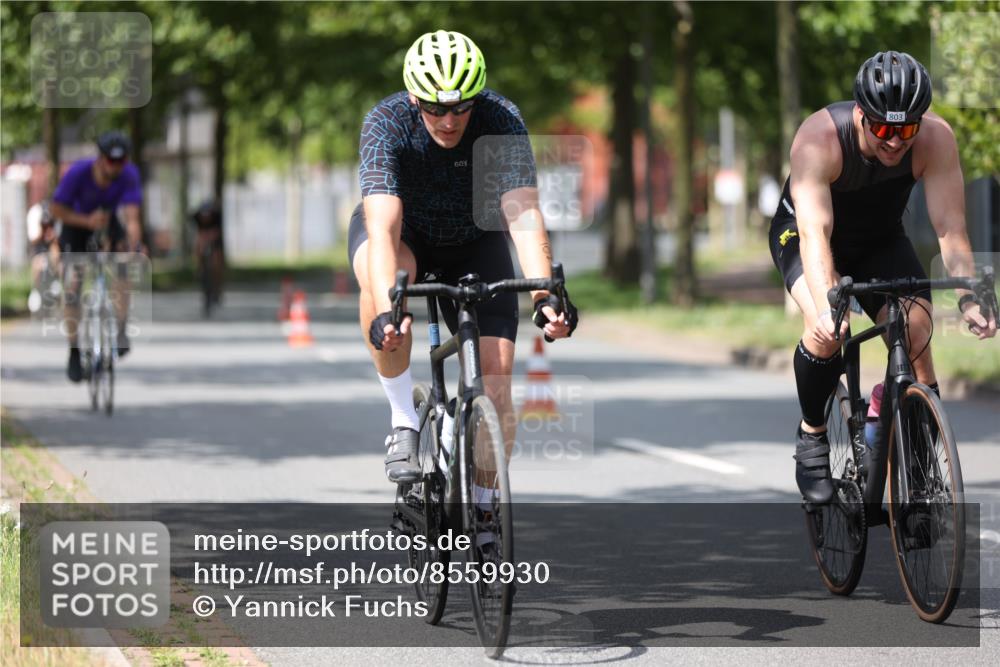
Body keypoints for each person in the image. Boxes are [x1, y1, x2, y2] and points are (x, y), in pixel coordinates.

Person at [350, 30, 579, 488]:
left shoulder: (499, 119)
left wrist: (545, 295)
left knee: (496, 381)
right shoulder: (387, 122)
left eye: (460, 107)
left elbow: (523, 213)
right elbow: (384, 226)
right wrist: (383, 311)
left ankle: (483, 510)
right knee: (382, 283)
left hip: (474, 237)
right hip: (406, 233)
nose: (449, 120)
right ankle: (403, 418)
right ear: (415, 98)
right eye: (435, 108)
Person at [768, 51, 997, 504]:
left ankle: (912, 459)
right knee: (830, 330)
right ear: (860, 115)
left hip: (878, 240)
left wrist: (969, 297)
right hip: (807, 236)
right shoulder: (819, 139)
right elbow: (816, 236)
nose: (896, 141)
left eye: (907, 128)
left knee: (915, 327)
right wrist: (828, 304)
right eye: (884, 129)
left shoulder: (935, 140)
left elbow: (951, 231)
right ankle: (813, 434)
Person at [50, 130, 145, 382]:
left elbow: (133, 218)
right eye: (110, 161)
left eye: (120, 161)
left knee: (123, 266)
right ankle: (73, 350)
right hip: (76, 222)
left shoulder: (129, 174)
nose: (115, 167)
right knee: (72, 283)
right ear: (100, 158)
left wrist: (134, 246)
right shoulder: (78, 173)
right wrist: (85, 220)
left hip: (107, 220)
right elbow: (56, 208)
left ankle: (122, 330)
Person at [26, 199, 61, 313]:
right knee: (37, 262)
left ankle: (57, 281)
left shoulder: (56, 214)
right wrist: (42, 233)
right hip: (38, 246)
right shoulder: (34, 214)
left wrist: (52, 237)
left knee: (57, 256)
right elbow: (33, 240)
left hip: (52, 245)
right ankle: (35, 290)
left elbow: (58, 240)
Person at [191, 200, 224, 309]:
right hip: (202, 234)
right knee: (198, 244)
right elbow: (197, 233)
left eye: (207, 216)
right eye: (203, 216)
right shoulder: (196, 216)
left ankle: (217, 285)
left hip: (215, 238)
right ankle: (199, 266)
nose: (205, 219)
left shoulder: (217, 216)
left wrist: (209, 237)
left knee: (216, 259)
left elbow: (217, 232)